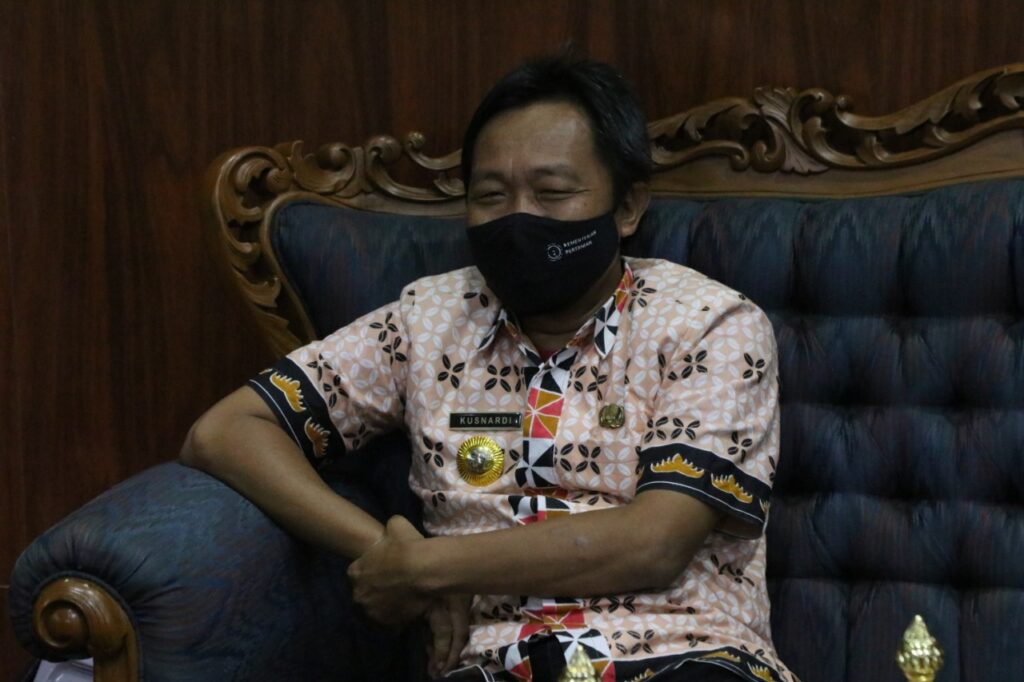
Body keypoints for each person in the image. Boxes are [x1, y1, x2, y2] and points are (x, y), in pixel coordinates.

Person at [181, 55, 797, 682]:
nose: (517, 219)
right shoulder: (427, 321)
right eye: (491, 196)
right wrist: (378, 548)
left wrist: (429, 570)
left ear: (628, 206)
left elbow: (655, 543)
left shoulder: (709, 323)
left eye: (552, 193)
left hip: (682, 654)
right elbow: (226, 431)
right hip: (496, 665)